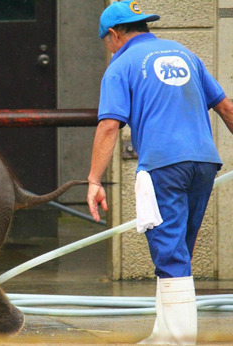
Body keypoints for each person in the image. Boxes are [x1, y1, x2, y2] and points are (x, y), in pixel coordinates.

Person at [87, 0, 233, 344]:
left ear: (113, 34)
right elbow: (225, 106)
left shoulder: (120, 65)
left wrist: (94, 180)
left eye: (107, 42)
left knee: (170, 251)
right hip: (203, 162)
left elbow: (109, 125)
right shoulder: (184, 53)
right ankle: (163, 333)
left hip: (162, 165)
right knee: (180, 248)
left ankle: (180, 340)